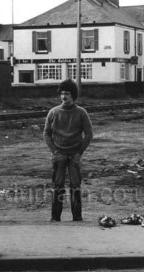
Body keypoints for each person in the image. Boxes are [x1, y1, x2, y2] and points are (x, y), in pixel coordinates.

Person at [43, 79, 93, 222]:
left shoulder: (81, 113)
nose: (64, 97)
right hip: (59, 155)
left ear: (73, 95)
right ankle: (55, 218)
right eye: (62, 94)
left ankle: (77, 218)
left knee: (75, 187)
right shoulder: (53, 112)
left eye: (68, 94)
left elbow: (89, 134)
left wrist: (79, 153)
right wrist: (54, 151)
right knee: (57, 187)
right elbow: (46, 133)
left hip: (74, 156)